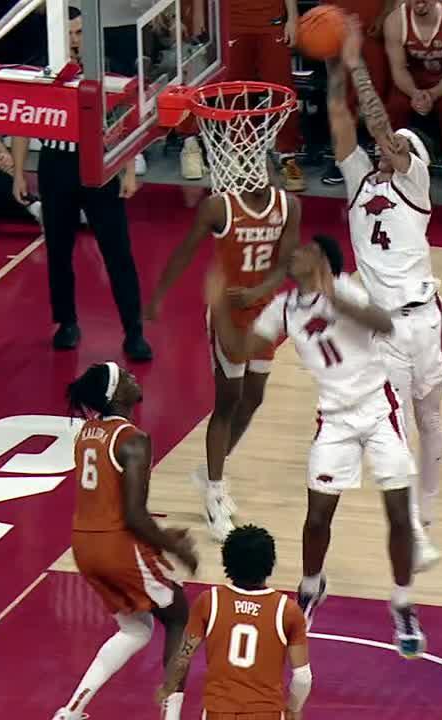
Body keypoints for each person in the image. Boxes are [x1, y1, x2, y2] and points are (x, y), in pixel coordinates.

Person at [206, 234, 428, 659]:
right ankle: (311, 586)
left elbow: (383, 325)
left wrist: (334, 297)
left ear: (322, 261)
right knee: (316, 519)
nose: (294, 254)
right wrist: (217, 303)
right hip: (334, 417)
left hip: (378, 409)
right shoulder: (284, 308)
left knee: (398, 514)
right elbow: (238, 350)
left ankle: (402, 602)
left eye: (304, 250)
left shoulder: (344, 288)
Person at [327, 26, 442, 565]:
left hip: (427, 319)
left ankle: (429, 515)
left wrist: (357, 66)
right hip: (385, 327)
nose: (386, 146)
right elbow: (344, 129)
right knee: (395, 428)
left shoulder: (415, 185)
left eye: (398, 144)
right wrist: (336, 72)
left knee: (430, 421)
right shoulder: (358, 184)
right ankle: (414, 539)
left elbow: (377, 127)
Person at [147, 172, 301, 543]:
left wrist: (260, 291)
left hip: (263, 312)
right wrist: (158, 296)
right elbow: (186, 249)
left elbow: (286, 262)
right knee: (227, 401)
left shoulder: (288, 206)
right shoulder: (220, 207)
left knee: (254, 397)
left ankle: (209, 474)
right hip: (228, 314)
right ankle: (214, 493)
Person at [52, 361, 199, 720]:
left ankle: (71, 712)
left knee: (137, 628)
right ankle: (172, 716)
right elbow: (133, 514)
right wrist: (173, 544)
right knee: (180, 617)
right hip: (116, 544)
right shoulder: (133, 440)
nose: (135, 378)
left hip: (84, 547)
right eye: (127, 377)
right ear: (115, 394)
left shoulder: (86, 433)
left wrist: (160, 536)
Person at [11, 6, 153, 360]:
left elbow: (128, 119)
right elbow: (23, 122)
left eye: (79, 33)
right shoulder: (40, 71)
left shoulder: (107, 68)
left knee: (118, 252)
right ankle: (66, 322)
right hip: (55, 166)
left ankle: (134, 330)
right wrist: (17, 172)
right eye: (69, 34)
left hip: (100, 165)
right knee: (58, 250)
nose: (75, 41)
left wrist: (130, 170)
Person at [156, 525, 313, 719]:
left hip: (218, 713)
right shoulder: (287, 610)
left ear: (226, 561)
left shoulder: (209, 601)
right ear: (270, 563)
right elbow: (303, 678)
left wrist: (167, 688)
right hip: (267, 713)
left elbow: (182, 658)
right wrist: (294, 709)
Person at [384, 0, 442, 198]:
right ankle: (393, 164)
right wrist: (415, 93)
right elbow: (398, 69)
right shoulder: (395, 20)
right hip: (413, 80)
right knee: (395, 106)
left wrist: (432, 94)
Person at [221, 0, 305, 190]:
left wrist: (292, 18)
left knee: (282, 89)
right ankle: (239, 151)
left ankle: (287, 155)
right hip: (233, 20)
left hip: (271, 20)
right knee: (234, 90)